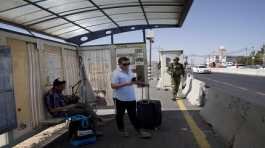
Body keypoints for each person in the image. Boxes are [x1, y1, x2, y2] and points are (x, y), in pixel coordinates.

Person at [111, 57, 151, 139]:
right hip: (119, 99)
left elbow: (133, 81)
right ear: (119, 64)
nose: (127, 66)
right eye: (125, 64)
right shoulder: (116, 73)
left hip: (131, 98)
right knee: (120, 116)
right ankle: (122, 130)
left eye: (128, 63)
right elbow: (113, 86)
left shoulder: (130, 71)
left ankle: (139, 131)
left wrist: (143, 84)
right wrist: (127, 83)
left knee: (133, 116)